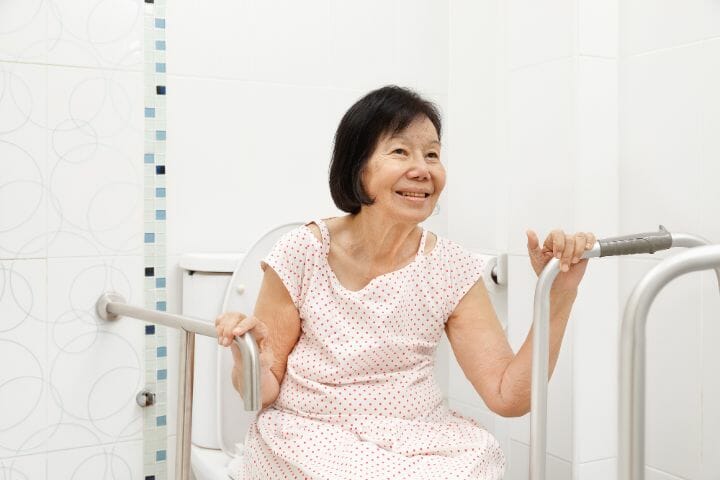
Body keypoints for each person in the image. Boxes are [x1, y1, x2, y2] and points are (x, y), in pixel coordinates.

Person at [215, 85, 595, 479]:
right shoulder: (302, 251)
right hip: (310, 434)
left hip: (417, 439)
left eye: (432, 154)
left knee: (480, 458)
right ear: (357, 167)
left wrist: (559, 293)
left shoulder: (451, 267)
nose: (423, 169)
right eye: (400, 151)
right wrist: (250, 357)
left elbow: (508, 396)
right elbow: (260, 393)